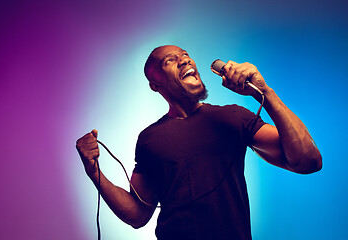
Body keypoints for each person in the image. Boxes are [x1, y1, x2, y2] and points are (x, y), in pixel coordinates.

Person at [76, 45, 322, 240]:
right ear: (155, 84)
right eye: (170, 60)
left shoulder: (232, 117)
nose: (185, 60)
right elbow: (138, 214)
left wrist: (264, 92)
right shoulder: (149, 139)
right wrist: (93, 171)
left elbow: (307, 160)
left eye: (185, 55)